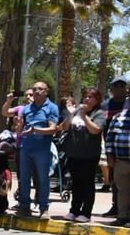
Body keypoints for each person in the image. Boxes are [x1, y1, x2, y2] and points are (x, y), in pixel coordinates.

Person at [56, 89, 106, 222]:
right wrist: (71, 114)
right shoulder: (77, 111)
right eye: (86, 97)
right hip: (74, 154)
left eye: (91, 97)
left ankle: (86, 213)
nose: (88, 99)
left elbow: (95, 130)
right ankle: (74, 210)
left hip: (89, 155)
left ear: (97, 100)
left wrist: (84, 116)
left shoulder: (99, 113)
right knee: (76, 183)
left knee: (88, 184)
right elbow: (64, 127)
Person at [14, 81, 59, 218]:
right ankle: (24, 206)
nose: (37, 91)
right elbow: (20, 130)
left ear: (46, 91)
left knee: (43, 179)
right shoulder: (27, 108)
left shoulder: (52, 107)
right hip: (26, 148)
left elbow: (53, 129)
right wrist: (19, 126)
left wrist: (36, 130)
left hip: (42, 149)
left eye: (40, 89)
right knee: (24, 178)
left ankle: (43, 207)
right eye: (35, 89)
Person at [105, 81, 130, 226]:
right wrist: (109, 155)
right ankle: (122, 217)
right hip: (121, 160)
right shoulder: (118, 117)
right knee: (123, 191)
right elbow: (110, 138)